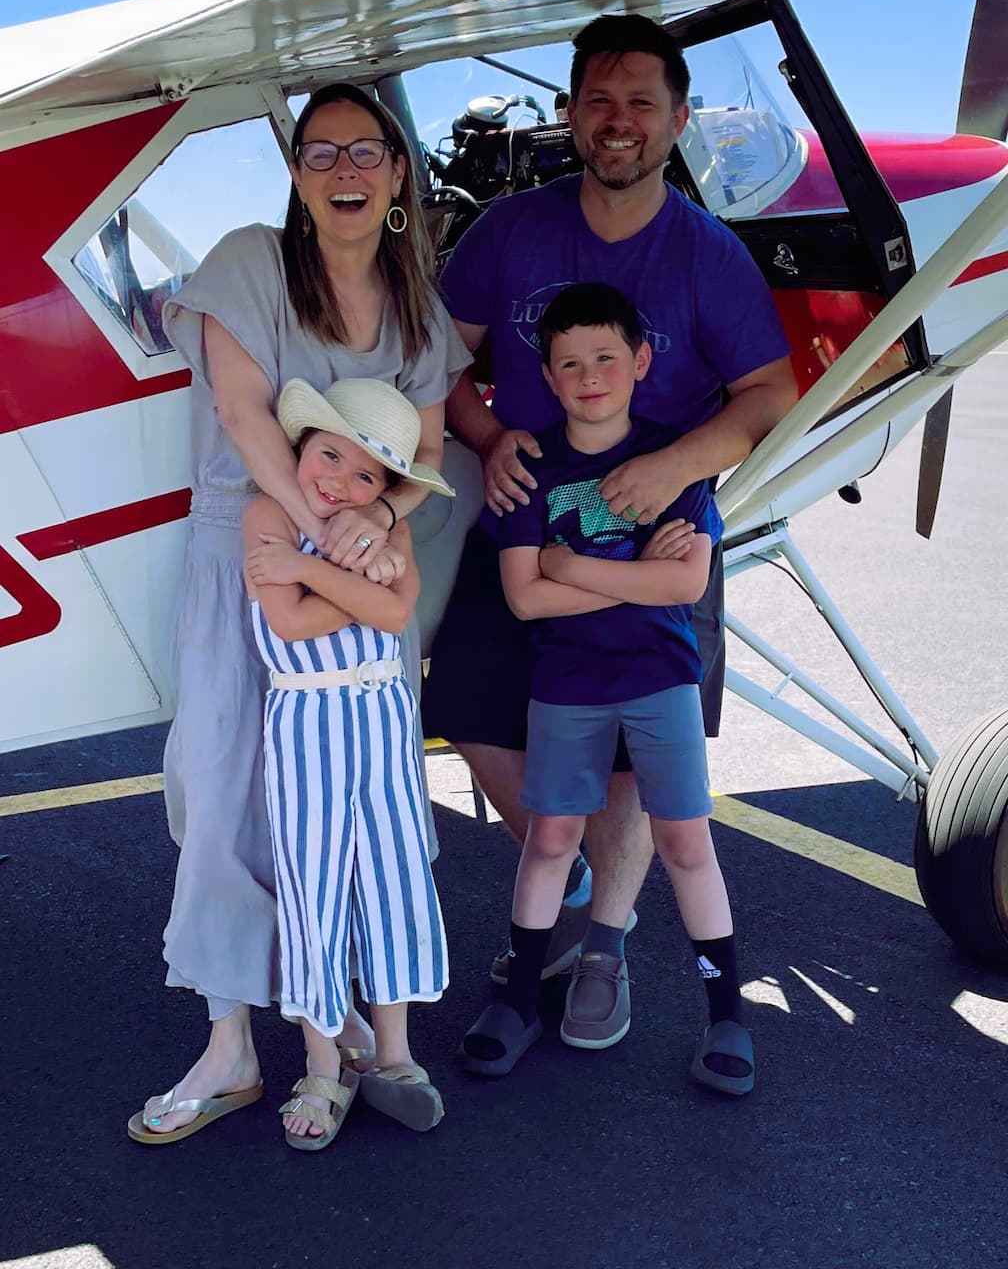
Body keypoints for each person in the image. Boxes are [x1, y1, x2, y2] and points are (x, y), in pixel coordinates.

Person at [423, 12, 795, 1052]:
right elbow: (441, 362)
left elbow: (769, 389)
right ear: (570, 112)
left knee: (636, 756)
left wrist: (675, 464)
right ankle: (573, 868)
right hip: (529, 515)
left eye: (641, 102)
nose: (617, 121)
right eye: (597, 99)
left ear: (679, 119)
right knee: (465, 701)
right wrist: (490, 435)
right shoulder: (509, 230)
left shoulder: (707, 253)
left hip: (660, 528)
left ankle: (604, 943)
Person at [128, 82, 469, 1145]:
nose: (345, 173)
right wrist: (331, 538)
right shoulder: (249, 263)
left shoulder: (413, 299)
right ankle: (231, 1045)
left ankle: (347, 1019)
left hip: (358, 557)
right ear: (296, 174)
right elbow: (243, 415)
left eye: (366, 153)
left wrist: (379, 528)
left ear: (399, 173)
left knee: (354, 805)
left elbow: (424, 454)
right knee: (220, 784)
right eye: (321, 154)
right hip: (255, 549)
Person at [460, 284, 753, 1093]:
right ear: (548, 380)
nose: (589, 376)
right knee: (551, 840)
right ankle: (520, 1000)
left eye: (605, 359)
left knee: (687, 842)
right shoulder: (535, 470)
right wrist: (636, 572)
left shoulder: (674, 461)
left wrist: (576, 566)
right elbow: (524, 596)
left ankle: (727, 1015)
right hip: (568, 685)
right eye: (569, 364)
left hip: (660, 681)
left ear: (641, 362)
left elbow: (685, 584)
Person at [244, 376, 451, 1149]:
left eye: (366, 473)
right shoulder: (269, 512)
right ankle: (323, 1064)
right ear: (301, 447)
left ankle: (393, 1056)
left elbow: (397, 613)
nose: (340, 480)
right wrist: (348, 580)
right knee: (315, 888)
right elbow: (291, 625)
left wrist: (307, 570)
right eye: (328, 454)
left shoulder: (380, 528)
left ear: (384, 488)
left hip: (382, 716)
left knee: (394, 876)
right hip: (306, 719)